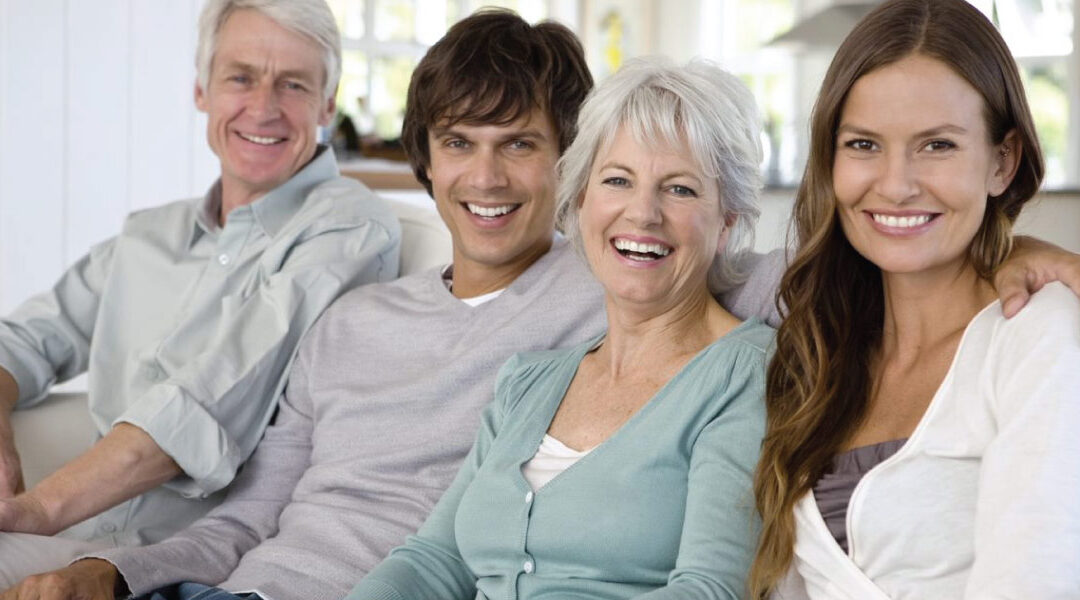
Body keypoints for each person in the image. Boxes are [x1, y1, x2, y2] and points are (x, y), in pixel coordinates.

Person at [0, 0, 400, 587]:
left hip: (179, 558)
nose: (263, 108)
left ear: (327, 106)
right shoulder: (149, 235)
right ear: (201, 90)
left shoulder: (348, 231)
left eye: (292, 84)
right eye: (241, 77)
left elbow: (205, 403)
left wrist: (31, 512)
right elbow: (23, 340)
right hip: (72, 530)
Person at [349, 56, 770, 600]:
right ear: (580, 203)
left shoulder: (744, 376)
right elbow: (434, 560)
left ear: (727, 221)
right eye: (617, 180)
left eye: (681, 189)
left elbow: (710, 590)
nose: (642, 213)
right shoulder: (528, 381)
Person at [748, 0, 1080, 598]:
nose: (897, 186)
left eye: (937, 146)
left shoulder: (1038, 333)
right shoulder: (813, 339)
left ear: (1002, 162)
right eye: (864, 145)